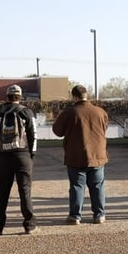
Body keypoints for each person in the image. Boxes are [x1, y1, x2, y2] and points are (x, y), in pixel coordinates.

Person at [52, 85, 108, 225]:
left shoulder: (69, 113)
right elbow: (104, 128)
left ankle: (75, 216)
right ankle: (99, 215)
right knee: (97, 187)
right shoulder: (100, 112)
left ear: (74, 97)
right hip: (97, 155)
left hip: (76, 156)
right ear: (86, 95)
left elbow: (57, 131)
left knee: (77, 186)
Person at [0, 85, 38, 234]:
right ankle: (29, 225)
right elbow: (33, 136)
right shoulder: (26, 112)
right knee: (25, 191)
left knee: (3, 193)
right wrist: (31, 155)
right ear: (20, 97)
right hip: (22, 155)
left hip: (4, 156)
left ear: (7, 96)